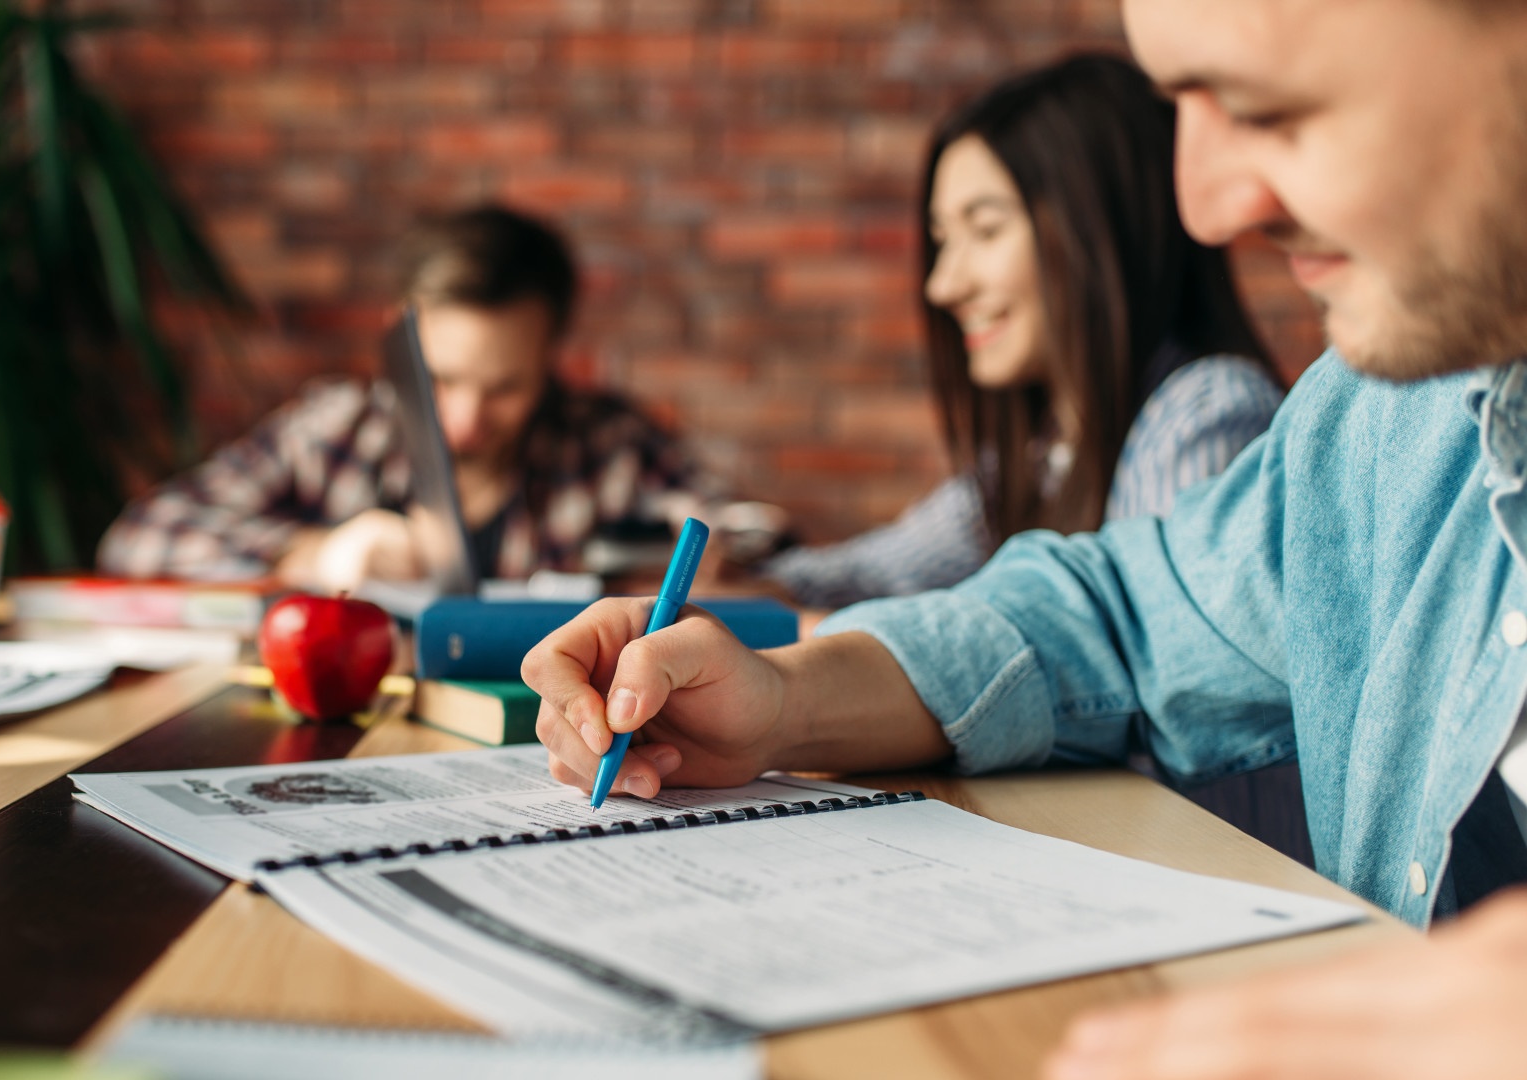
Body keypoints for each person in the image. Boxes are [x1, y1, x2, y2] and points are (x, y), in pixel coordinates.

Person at [521, 1, 1527, 1075]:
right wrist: (789, 701)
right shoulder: (1390, 416)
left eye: (1266, 106)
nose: (1205, 206)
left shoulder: (1219, 407)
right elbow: (1118, 617)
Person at [765, 54, 1280, 610]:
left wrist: (837, 647)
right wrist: (743, 580)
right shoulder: (1047, 449)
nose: (943, 286)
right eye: (943, 240)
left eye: (985, 231)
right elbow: (875, 570)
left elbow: (1137, 667)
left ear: (1101, 229)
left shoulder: (1205, 415)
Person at [99, 204, 739, 590]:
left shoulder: (611, 444)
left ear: (551, 354)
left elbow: (755, 540)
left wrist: (706, 567)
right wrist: (315, 553)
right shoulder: (337, 428)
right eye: (442, 378)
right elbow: (142, 536)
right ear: (400, 334)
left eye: (505, 388)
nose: (465, 420)